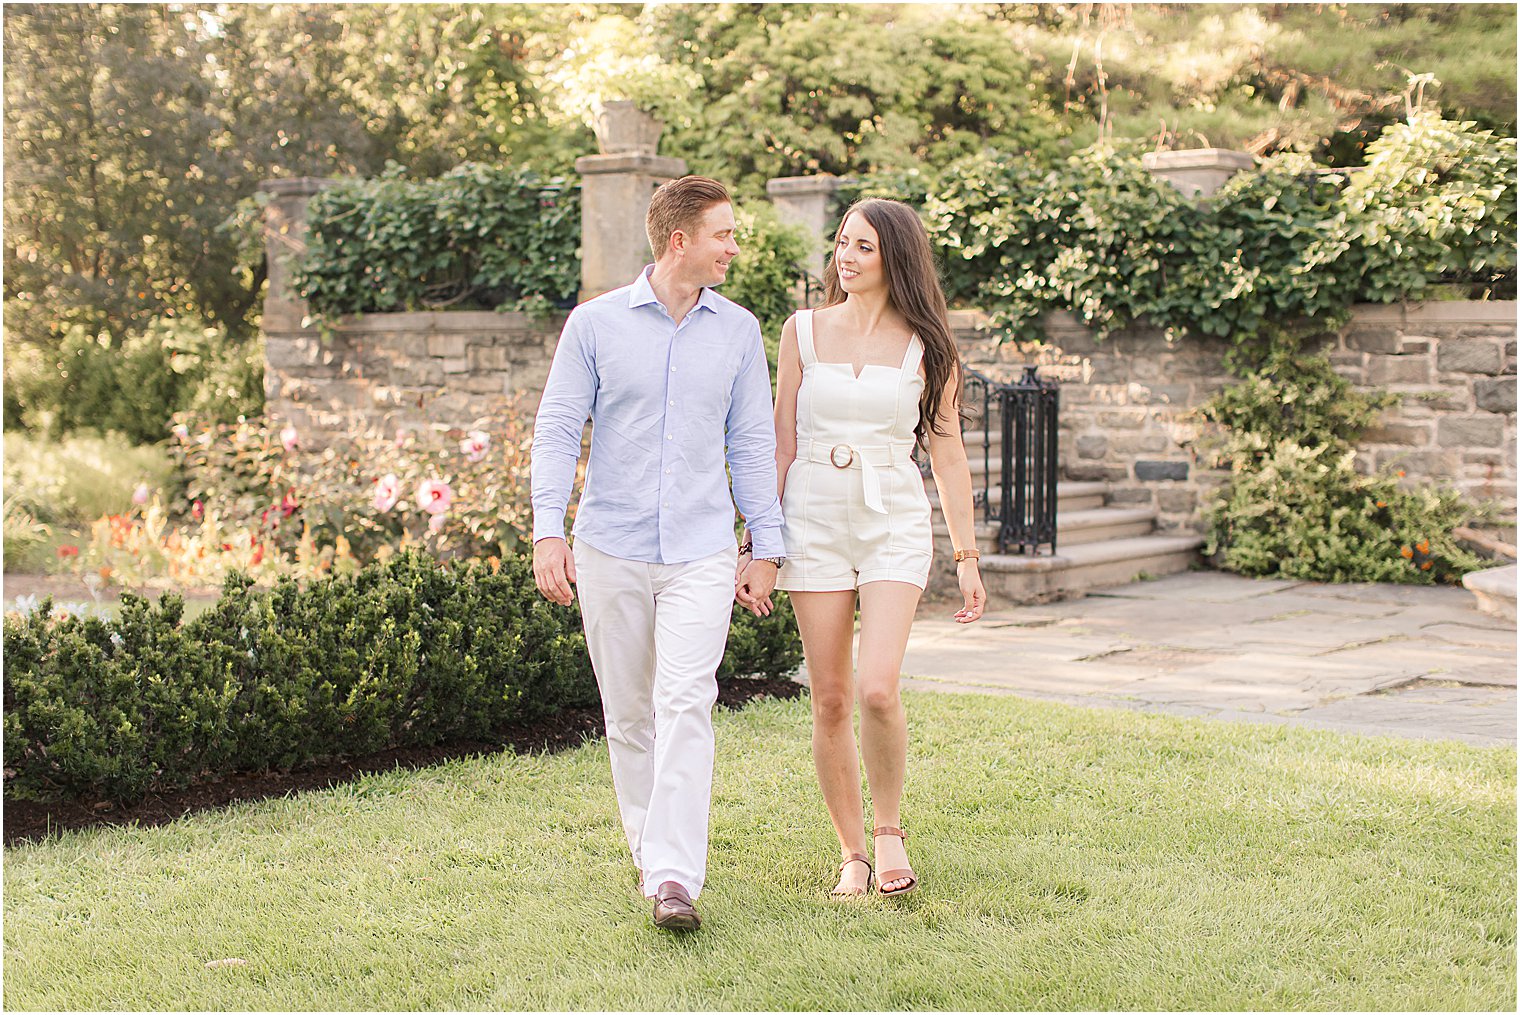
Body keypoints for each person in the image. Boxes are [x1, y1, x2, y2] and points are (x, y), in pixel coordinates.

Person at [530, 176, 786, 932]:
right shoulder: (595, 325)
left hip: (701, 552)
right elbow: (557, 428)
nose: (735, 247)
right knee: (630, 712)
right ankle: (651, 850)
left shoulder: (737, 332)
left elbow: (752, 443)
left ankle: (675, 873)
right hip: (609, 545)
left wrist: (765, 544)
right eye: (724, 235)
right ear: (680, 240)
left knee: (686, 700)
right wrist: (550, 528)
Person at [757, 197, 986, 899]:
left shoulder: (930, 346)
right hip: (813, 517)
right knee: (829, 697)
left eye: (863, 247)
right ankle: (852, 851)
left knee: (877, 686)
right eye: (842, 244)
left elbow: (947, 457)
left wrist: (968, 558)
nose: (845, 259)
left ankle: (890, 832)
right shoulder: (803, 331)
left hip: (893, 517)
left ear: (895, 258)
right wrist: (762, 543)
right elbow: (781, 442)